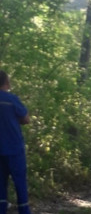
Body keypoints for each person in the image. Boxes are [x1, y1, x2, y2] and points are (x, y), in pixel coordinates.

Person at [0, 71, 31, 214]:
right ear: (6, 82)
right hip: (14, 149)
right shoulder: (11, 99)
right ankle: (24, 211)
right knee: (19, 183)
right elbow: (26, 119)